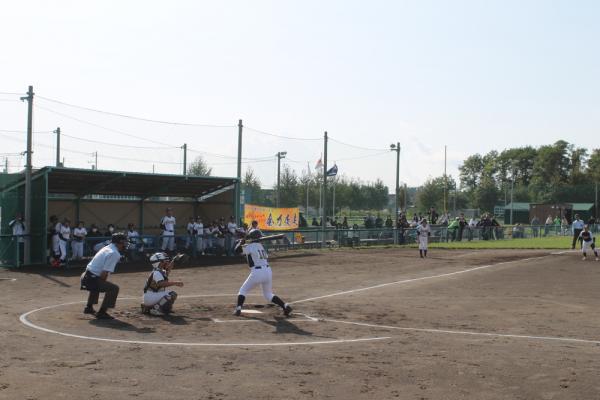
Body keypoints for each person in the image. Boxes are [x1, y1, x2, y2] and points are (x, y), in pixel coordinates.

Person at [233, 229, 293, 317]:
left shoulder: (249, 246)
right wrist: (242, 242)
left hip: (257, 272)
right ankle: (285, 306)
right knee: (268, 294)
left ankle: (238, 309)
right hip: (268, 271)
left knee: (243, 290)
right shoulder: (261, 246)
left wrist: (241, 243)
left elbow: (236, 251)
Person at [80, 233, 128, 319]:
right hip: (90, 279)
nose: (125, 244)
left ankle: (89, 307)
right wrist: (102, 284)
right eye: (123, 242)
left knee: (97, 281)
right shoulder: (114, 253)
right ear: (118, 243)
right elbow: (104, 273)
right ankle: (102, 312)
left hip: (85, 276)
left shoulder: (108, 247)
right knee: (113, 288)